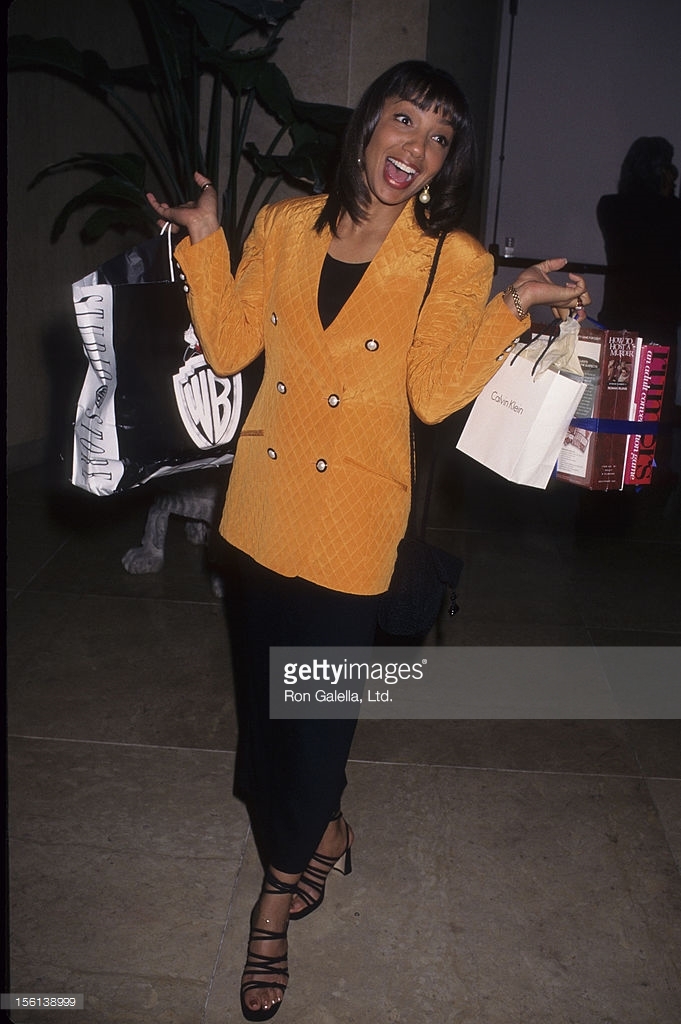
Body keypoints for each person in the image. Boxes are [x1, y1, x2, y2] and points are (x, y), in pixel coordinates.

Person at [148, 61, 589, 1021]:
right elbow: (229, 345)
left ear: (443, 162)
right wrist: (208, 240)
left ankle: (274, 902)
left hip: (354, 525)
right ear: (368, 126)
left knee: (316, 719)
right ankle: (326, 829)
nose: (415, 148)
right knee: (270, 716)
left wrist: (508, 306)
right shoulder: (283, 225)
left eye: (438, 138)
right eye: (403, 121)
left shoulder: (449, 258)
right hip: (262, 514)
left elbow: (431, 395)